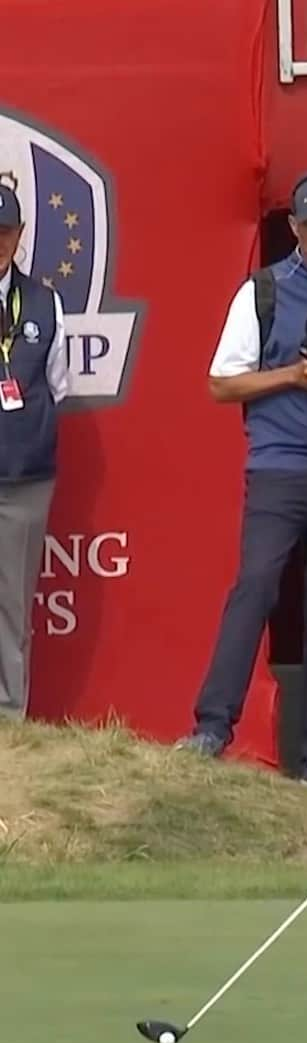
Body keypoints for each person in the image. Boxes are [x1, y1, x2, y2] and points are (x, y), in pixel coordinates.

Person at [177, 171, 307, 796]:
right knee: (256, 590)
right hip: (279, 466)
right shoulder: (264, 291)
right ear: (295, 227)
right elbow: (222, 382)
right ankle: (213, 728)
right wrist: (290, 377)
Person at [0, 178, 68, 718]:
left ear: (19, 235)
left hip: (24, 476)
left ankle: (8, 715)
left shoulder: (45, 302)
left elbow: (57, 384)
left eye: (4, 232)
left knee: (12, 603)